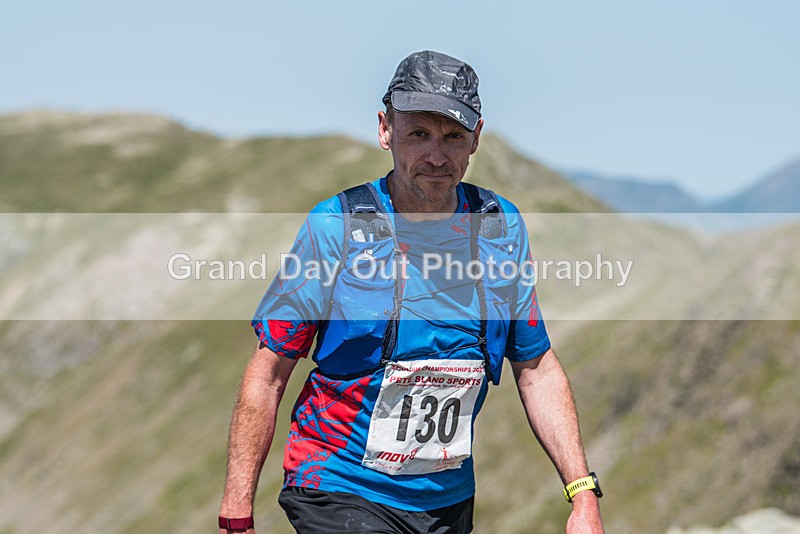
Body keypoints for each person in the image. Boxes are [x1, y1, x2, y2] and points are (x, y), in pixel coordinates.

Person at [218, 50, 604, 534]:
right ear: (386, 130)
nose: (436, 156)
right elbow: (269, 373)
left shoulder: (499, 227)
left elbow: (536, 368)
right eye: (419, 134)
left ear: (476, 139)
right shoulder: (336, 226)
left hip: (446, 501)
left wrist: (581, 494)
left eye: (453, 137)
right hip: (339, 484)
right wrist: (236, 514)